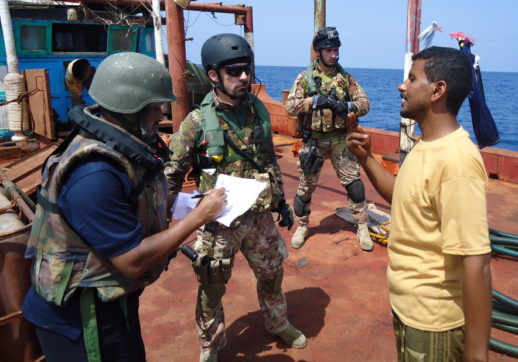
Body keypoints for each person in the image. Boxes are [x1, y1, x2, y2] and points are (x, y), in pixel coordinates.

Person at [22, 52, 226, 362]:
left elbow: (130, 203)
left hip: (108, 301)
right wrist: (199, 216)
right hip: (81, 313)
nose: (161, 114)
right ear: (129, 109)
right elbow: (132, 262)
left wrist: (174, 204)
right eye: (155, 107)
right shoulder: (94, 174)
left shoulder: (116, 148)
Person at [164, 33, 306, 362]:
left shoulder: (257, 112)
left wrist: (280, 201)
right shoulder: (197, 123)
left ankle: (277, 322)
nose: (245, 77)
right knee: (212, 286)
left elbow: (268, 158)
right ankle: (211, 346)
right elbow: (171, 173)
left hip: (257, 215)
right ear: (213, 75)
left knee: (272, 273)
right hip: (217, 222)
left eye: (247, 70)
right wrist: (164, 226)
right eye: (235, 72)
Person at [346, 46, 492, 362]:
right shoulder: (427, 144)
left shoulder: (457, 161)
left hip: (433, 320)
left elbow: (476, 262)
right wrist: (366, 158)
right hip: (409, 309)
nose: (403, 86)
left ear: (438, 90)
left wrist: (477, 355)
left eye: (412, 78)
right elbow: (403, 196)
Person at [285, 26, 372, 251]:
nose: (334, 55)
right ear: (319, 52)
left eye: (336, 50)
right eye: (329, 50)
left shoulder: (345, 79)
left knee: (355, 186)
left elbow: (365, 104)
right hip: (313, 141)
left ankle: (362, 225)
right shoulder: (305, 79)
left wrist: (344, 105)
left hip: (340, 140)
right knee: (305, 188)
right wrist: (314, 101)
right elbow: (290, 107)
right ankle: (302, 226)